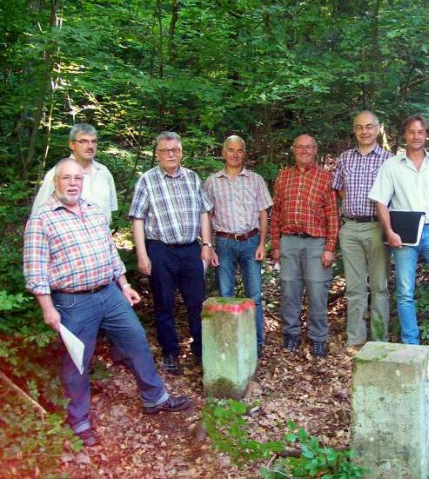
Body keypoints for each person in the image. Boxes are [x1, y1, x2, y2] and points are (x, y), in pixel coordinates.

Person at [24, 159, 189, 448]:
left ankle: (155, 398)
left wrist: (124, 286)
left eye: (77, 178)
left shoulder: (93, 211)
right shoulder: (42, 219)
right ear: (55, 182)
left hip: (110, 294)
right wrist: (47, 308)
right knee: (77, 362)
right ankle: (79, 421)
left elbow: (110, 252)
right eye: (67, 178)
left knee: (137, 341)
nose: (73, 183)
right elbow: (35, 268)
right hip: (73, 302)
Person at [369, 115, 429, 352]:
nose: (416, 136)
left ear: (426, 135)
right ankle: (411, 344)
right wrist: (389, 232)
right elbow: (380, 201)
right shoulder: (392, 165)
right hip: (404, 236)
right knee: (405, 292)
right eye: (411, 131)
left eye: (420, 131)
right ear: (405, 134)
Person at [129, 132, 214, 374]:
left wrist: (206, 245)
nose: (171, 154)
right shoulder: (147, 180)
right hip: (160, 250)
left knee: (197, 303)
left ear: (181, 151)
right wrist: (142, 255)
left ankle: (201, 351)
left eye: (175, 149)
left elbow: (204, 212)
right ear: (157, 154)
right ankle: (170, 353)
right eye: (165, 150)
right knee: (164, 303)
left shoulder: (192, 178)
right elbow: (137, 219)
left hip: (190, 250)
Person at [270, 134, 339, 358]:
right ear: (293, 150)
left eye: (308, 147)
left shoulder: (325, 178)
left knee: (317, 292)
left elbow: (332, 216)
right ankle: (291, 335)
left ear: (315, 150)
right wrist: (277, 245)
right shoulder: (283, 176)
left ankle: (318, 337)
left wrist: (330, 247)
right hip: (288, 241)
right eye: (300, 147)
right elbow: (276, 213)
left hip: (316, 243)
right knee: (289, 292)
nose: (304, 151)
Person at [204, 135, 273, 356]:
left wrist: (262, 243)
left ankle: (257, 343)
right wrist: (210, 246)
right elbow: (206, 216)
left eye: (239, 150)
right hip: (224, 242)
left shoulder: (255, 180)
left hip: (251, 241)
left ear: (244, 153)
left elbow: (264, 214)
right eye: (230, 150)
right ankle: (229, 341)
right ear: (223, 153)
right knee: (226, 293)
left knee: (255, 295)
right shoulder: (212, 181)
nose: (235, 154)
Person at [332, 111, 393, 347]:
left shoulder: (389, 160)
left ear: (378, 129)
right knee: (355, 287)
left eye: (369, 127)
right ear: (354, 130)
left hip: (377, 227)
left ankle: (379, 338)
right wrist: (353, 206)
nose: (364, 131)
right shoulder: (345, 158)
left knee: (379, 286)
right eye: (359, 127)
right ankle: (356, 338)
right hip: (350, 228)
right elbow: (338, 188)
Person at [32, 123, 118, 225]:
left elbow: (110, 210)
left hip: (101, 237)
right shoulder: (57, 174)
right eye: (83, 141)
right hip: (69, 237)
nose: (90, 146)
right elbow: (37, 215)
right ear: (72, 144)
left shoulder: (104, 172)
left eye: (93, 141)